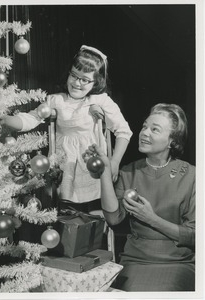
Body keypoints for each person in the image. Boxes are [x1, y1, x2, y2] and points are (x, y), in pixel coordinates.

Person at [1, 45, 132, 212]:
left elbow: (123, 132)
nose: (77, 83)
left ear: (96, 82)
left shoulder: (100, 101)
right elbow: (31, 118)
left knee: (95, 208)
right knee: (65, 207)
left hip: (90, 161)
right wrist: (5, 119)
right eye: (74, 76)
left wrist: (114, 162)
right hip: (64, 163)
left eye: (84, 79)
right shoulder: (56, 100)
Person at [83, 103, 195, 291]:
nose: (144, 133)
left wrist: (151, 219)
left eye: (154, 129)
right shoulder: (129, 171)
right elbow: (113, 218)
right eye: (144, 126)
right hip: (135, 261)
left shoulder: (192, 176)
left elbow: (195, 235)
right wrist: (104, 171)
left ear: (171, 141)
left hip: (178, 264)